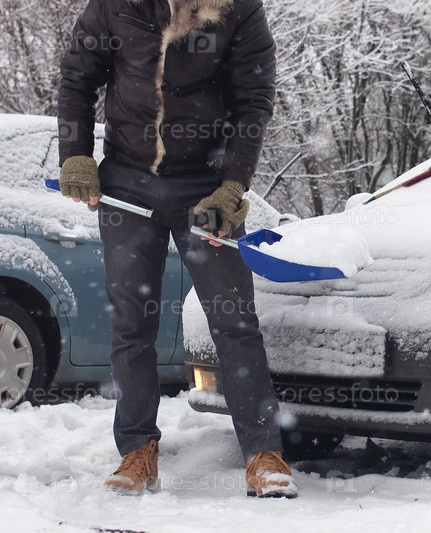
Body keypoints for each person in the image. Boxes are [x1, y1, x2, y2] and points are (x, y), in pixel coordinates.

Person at [57, 0, 297, 498]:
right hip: (126, 183)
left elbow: (253, 99)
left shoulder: (238, 9)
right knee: (131, 325)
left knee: (234, 322)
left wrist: (233, 186)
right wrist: (76, 154)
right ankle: (137, 451)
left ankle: (263, 453)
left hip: (206, 187)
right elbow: (77, 78)